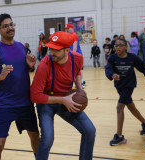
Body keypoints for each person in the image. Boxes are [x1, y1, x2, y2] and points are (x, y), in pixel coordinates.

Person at [0, 13, 40, 160]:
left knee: (35, 137)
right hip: (4, 104)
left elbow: (21, 71)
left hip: (25, 102)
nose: (10, 28)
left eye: (11, 24)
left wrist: (30, 67)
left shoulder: (20, 46)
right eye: (5, 26)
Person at [31, 31, 95, 160]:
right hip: (46, 103)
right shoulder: (44, 64)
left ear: (67, 50)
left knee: (90, 131)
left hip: (68, 99)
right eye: (50, 48)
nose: (52, 52)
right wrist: (62, 100)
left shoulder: (78, 58)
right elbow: (34, 96)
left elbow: (77, 71)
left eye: (56, 50)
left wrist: (79, 88)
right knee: (48, 138)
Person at [105, 39, 145, 146]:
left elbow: (142, 67)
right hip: (119, 86)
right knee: (131, 107)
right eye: (116, 45)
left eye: (120, 45)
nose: (118, 48)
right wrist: (112, 75)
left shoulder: (132, 57)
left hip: (129, 86)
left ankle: (119, 136)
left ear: (126, 47)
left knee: (119, 107)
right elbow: (108, 69)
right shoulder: (112, 57)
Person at [64, 24, 86, 88]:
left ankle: (81, 82)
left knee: (76, 69)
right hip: (75, 54)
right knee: (76, 69)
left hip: (76, 55)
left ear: (72, 28)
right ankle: (82, 81)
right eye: (66, 29)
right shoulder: (70, 35)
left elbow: (75, 46)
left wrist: (72, 55)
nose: (67, 30)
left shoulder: (74, 35)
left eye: (68, 28)